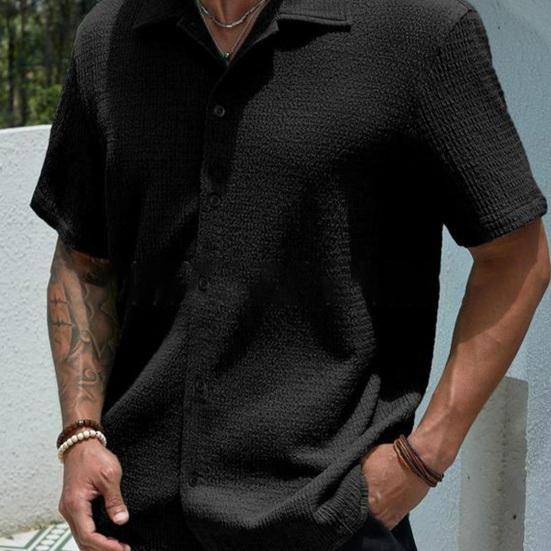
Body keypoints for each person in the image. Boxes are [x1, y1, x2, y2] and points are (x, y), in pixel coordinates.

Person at [29, 0, 550, 549]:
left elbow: (517, 257)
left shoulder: (418, 30)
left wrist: (423, 458)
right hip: (136, 519)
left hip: (330, 520)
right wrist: (80, 435)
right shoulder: (108, 39)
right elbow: (84, 262)